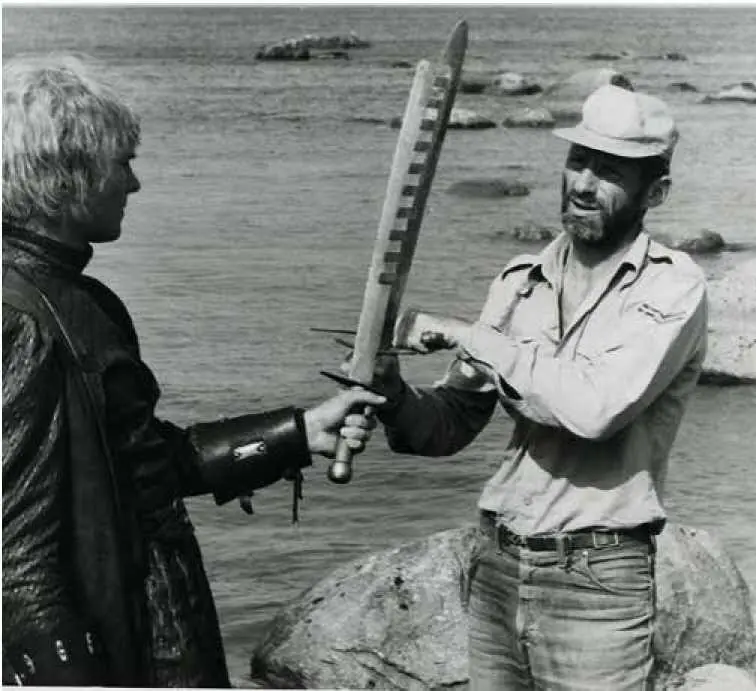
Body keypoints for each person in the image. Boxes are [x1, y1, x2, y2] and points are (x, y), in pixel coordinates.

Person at [1, 55, 385, 687]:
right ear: (65, 174)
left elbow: (148, 467)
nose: (134, 184)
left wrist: (298, 432)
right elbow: (14, 558)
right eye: (122, 163)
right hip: (118, 653)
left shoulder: (83, 302)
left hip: (160, 631)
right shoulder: (18, 319)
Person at [370, 84, 708, 690]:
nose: (583, 184)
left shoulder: (672, 288)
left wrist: (466, 335)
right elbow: (447, 427)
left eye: (610, 172)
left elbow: (594, 409)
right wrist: (392, 394)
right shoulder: (518, 280)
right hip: (497, 567)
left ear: (655, 192)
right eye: (578, 161)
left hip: (599, 583)